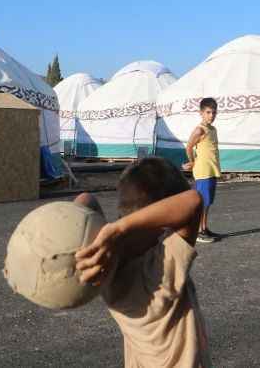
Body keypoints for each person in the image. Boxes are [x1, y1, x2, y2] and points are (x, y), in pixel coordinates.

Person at [74, 157, 211, 367]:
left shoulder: (109, 269)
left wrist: (111, 231)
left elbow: (85, 199)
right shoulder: (159, 270)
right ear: (163, 224)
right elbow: (192, 201)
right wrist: (120, 228)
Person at [183, 97, 222, 243]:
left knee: (208, 202)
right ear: (201, 113)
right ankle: (198, 232)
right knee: (202, 202)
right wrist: (192, 161)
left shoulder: (213, 129)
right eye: (208, 112)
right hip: (203, 171)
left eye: (214, 112)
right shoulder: (200, 130)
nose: (211, 115)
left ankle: (204, 228)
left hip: (211, 170)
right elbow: (189, 146)